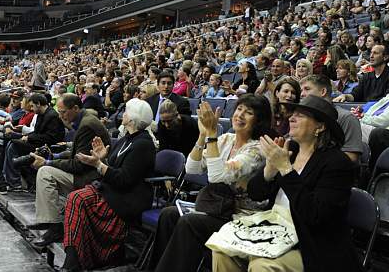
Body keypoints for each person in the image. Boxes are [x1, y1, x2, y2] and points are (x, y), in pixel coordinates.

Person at [212, 95, 360, 272]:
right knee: (222, 250)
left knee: (262, 265)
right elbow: (255, 193)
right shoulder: (290, 151)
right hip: (275, 229)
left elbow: (315, 215)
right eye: (293, 114)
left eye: (301, 115)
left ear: (320, 127)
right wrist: (269, 170)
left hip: (310, 242)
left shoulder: (336, 163)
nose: (291, 118)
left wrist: (286, 169)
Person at [150, 95, 272, 272]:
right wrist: (202, 135)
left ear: (259, 120)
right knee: (169, 214)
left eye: (249, 112)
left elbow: (217, 177)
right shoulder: (226, 139)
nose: (240, 115)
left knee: (189, 222)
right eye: (239, 109)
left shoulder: (256, 149)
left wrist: (212, 136)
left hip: (240, 217)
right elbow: (192, 168)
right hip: (215, 209)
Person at [58, 98, 156, 271]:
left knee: (77, 198)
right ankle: (75, 259)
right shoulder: (127, 139)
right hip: (112, 191)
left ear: (132, 118)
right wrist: (103, 157)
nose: (123, 114)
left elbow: (124, 179)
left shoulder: (143, 144)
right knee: (76, 198)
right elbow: (114, 169)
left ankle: (75, 262)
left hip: (127, 197)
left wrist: (99, 164)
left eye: (126, 111)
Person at [28, 93, 110, 249]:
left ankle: (55, 226)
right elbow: (76, 152)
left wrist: (48, 161)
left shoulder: (87, 125)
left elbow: (79, 165)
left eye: (63, 112)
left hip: (91, 178)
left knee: (45, 172)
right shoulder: (84, 120)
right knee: (46, 169)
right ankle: (49, 220)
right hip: (87, 172)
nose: (60, 116)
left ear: (76, 108)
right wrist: (56, 155)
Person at [1, 93, 65, 191]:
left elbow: (50, 137)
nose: (31, 108)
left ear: (38, 104)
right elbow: (37, 132)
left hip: (47, 147)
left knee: (13, 145)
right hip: (38, 142)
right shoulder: (41, 114)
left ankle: (14, 182)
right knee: (11, 141)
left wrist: (29, 138)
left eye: (32, 106)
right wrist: (28, 136)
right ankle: (9, 179)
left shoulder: (52, 116)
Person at [300, 75, 362, 162]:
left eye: (307, 89)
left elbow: (352, 157)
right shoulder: (302, 117)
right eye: (301, 90)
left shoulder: (346, 118)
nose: (302, 94)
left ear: (323, 91)